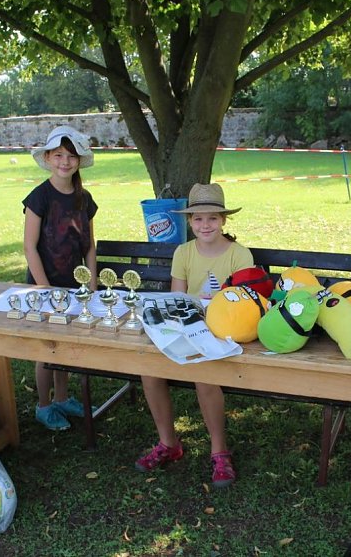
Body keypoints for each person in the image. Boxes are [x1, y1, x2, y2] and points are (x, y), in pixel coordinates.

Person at [135, 183, 253, 487]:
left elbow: (243, 303)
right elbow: (177, 298)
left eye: (212, 218)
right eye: (198, 219)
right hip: (188, 326)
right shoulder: (183, 251)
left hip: (224, 331)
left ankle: (219, 451)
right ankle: (168, 443)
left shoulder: (240, 254)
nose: (205, 225)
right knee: (149, 371)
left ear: (224, 220)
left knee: (204, 375)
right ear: (189, 222)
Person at [23, 125, 98, 431]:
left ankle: (64, 398)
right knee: (47, 347)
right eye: (58, 155)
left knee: (67, 344)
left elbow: (90, 245)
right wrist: (43, 288)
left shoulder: (85, 198)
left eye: (71, 156)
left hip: (75, 285)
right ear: (48, 158)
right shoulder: (39, 197)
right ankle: (43, 404)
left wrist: (91, 283)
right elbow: (29, 246)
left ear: (79, 160)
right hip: (45, 284)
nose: (65, 162)